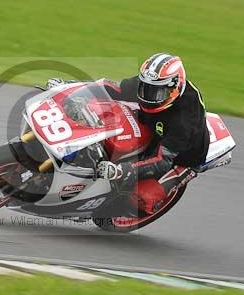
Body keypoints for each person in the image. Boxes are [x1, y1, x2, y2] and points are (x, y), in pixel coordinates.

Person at [48, 53, 209, 213]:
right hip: (154, 126)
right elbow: (112, 87)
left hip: (181, 157)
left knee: (144, 196)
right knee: (105, 115)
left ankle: (115, 206)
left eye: (157, 92)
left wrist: (121, 170)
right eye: (146, 88)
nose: (149, 95)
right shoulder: (152, 83)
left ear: (175, 88)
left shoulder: (185, 120)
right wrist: (69, 89)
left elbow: (162, 160)